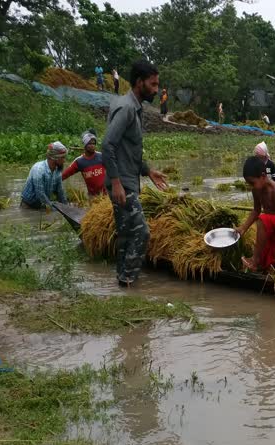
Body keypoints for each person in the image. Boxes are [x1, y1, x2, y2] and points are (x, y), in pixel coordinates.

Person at [103, 59, 169, 287]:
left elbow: (128, 149)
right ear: (139, 82)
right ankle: (129, 280)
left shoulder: (134, 107)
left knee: (125, 236)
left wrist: (148, 170)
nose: (156, 89)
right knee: (142, 234)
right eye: (152, 84)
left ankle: (122, 281)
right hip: (123, 183)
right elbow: (108, 145)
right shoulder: (127, 108)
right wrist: (116, 182)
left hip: (127, 179)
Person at [235, 156, 275, 272]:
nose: (251, 186)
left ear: (263, 176)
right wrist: (243, 228)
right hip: (270, 226)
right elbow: (256, 210)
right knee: (266, 260)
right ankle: (268, 267)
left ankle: (254, 260)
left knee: (262, 219)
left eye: (252, 182)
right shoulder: (256, 189)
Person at [21, 142, 69, 209]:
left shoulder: (57, 171)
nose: (64, 161)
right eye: (63, 157)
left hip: (42, 204)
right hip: (28, 205)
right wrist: (52, 209)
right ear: (54, 158)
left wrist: (66, 207)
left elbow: (60, 192)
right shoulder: (39, 170)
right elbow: (40, 195)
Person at [62, 131, 107, 198]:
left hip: (107, 194)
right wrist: (55, 181)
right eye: (89, 143)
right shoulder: (79, 161)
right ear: (85, 145)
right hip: (93, 197)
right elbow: (65, 174)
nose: (92, 146)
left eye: (94, 143)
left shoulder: (101, 156)